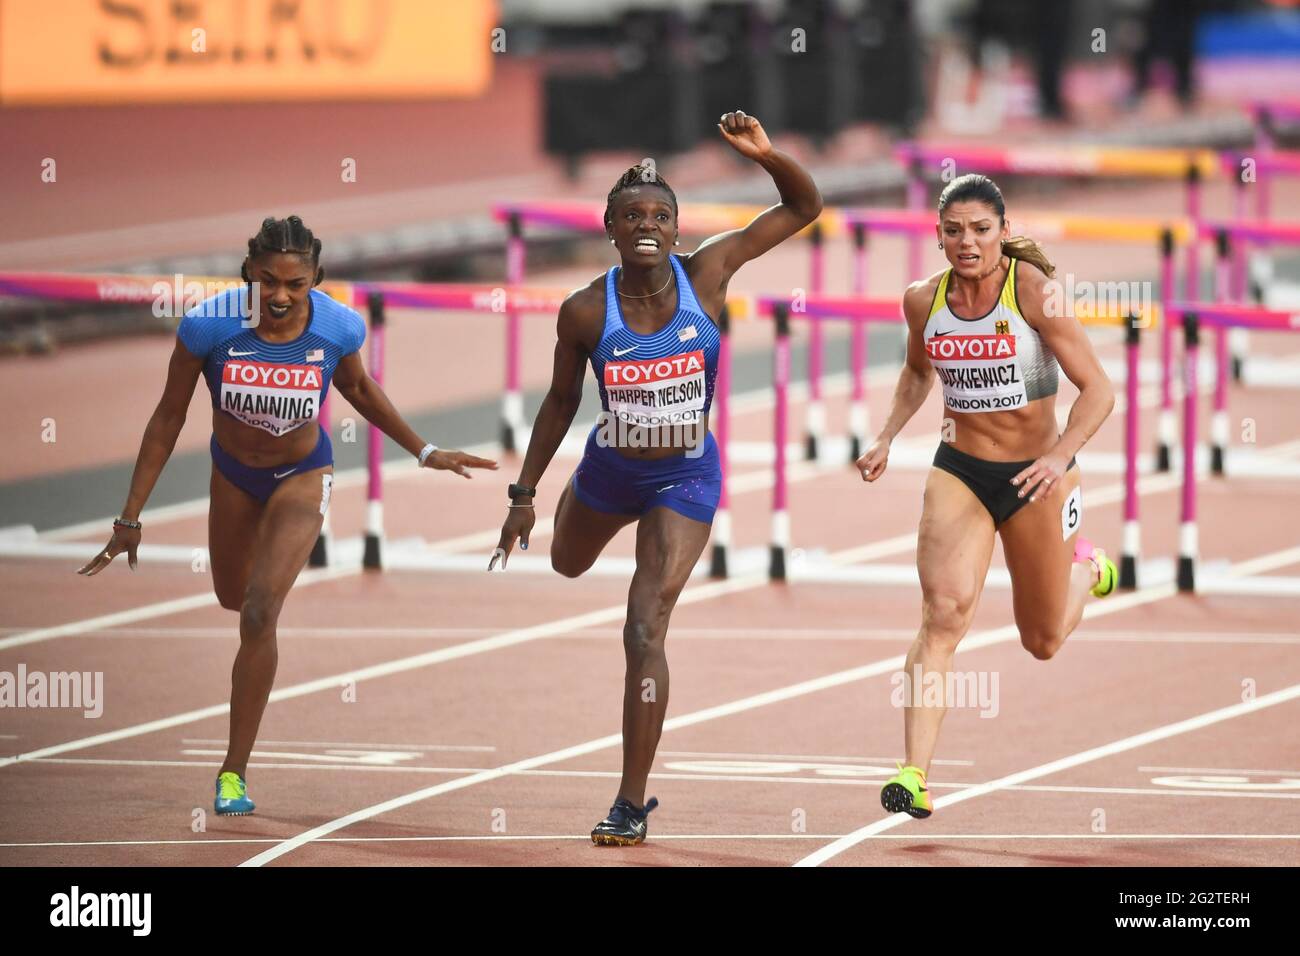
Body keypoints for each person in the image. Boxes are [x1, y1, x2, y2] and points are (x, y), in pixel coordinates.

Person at [79, 216, 497, 815]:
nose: (279, 295)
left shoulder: (337, 327)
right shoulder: (209, 326)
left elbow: (359, 389)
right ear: (248, 272)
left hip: (302, 475)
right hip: (232, 474)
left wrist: (423, 450)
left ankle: (232, 773)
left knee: (257, 612)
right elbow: (167, 417)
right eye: (268, 281)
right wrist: (130, 515)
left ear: (316, 281)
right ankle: (248, 669)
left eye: (295, 285)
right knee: (231, 596)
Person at [490, 111, 822, 845]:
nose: (648, 223)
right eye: (633, 214)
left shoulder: (708, 273)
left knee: (645, 629)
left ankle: (630, 802)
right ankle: (584, 506)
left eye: (661, 215)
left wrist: (767, 154)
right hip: (609, 471)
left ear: (676, 230)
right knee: (568, 564)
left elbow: (805, 208)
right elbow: (559, 402)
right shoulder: (584, 311)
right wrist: (525, 495)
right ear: (610, 227)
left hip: (685, 478)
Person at [854, 174, 1117, 819]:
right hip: (962, 470)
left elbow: (1100, 390)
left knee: (1043, 639)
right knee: (942, 614)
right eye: (953, 230)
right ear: (938, 235)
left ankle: (1091, 569)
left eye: (980, 229)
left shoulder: (1031, 291)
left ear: (1002, 230)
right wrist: (887, 435)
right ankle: (913, 774)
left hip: (1037, 477)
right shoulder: (923, 300)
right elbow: (918, 371)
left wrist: (1058, 458)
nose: (966, 241)